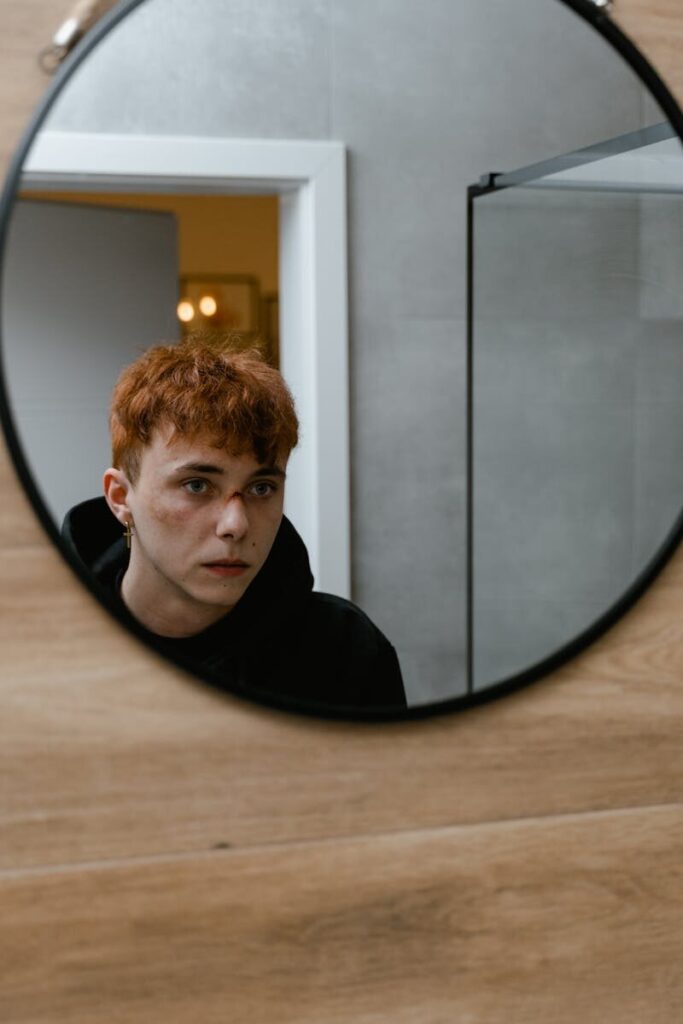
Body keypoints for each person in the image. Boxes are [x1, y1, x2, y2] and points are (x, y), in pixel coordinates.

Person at [62, 337, 406, 711]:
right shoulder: (50, 647)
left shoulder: (345, 653)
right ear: (120, 497)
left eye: (261, 488)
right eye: (197, 485)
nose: (236, 524)